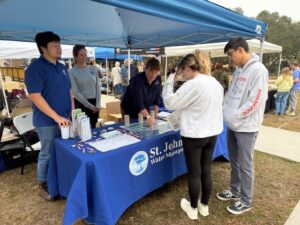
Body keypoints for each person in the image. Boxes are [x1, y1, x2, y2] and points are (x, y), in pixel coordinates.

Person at [162, 53, 223, 220]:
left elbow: (169, 102)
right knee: (206, 170)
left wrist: (169, 81)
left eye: (183, 72)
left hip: (195, 135)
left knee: (194, 173)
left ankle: (193, 209)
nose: (183, 76)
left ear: (188, 68)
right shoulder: (214, 82)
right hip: (212, 133)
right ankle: (204, 206)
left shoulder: (193, 84)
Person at [216, 37, 268, 215]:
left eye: (231, 54)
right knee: (234, 160)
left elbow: (256, 100)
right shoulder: (238, 71)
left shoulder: (258, 70)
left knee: (246, 164)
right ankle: (235, 190)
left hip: (247, 127)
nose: (230, 59)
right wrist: (225, 110)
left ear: (240, 50)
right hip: (232, 125)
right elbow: (231, 95)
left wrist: (236, 115)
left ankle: (246, 200)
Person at [24, 31, 73, 201]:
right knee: (47, 152)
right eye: (54, 45)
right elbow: (35, 96)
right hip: (46, 122)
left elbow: (69, 91)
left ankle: (60, 179)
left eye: (59, 44)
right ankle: (43, 183)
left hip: (65, 119)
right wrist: (56, 117)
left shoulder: (62, 67)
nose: (59, 48)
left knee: (64, 150)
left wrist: (72, 112)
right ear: (43, 48)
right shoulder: (34, 68)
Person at [121, 57, 161, 128]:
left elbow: (157, 97)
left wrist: (156, 113)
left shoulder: (158, 79)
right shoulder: (137, 81)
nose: (153, 75)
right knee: (133, 128)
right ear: (145, 69)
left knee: (146, 126)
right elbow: (138, 103)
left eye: (156, 72)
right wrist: (148, 117)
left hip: (145, 107)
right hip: (130, 108)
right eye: (151, 71)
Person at [69, 44, 101, 128]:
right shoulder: (71, 72)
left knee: (94, 127)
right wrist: (90, 106)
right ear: (75, 56)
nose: (84, 57)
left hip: (95, 104)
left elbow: (98, 87)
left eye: (85, 54)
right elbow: (76, 92)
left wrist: (98, 104)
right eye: (81, 55)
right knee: (83, 129)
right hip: (81, 104)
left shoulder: (93, 68)